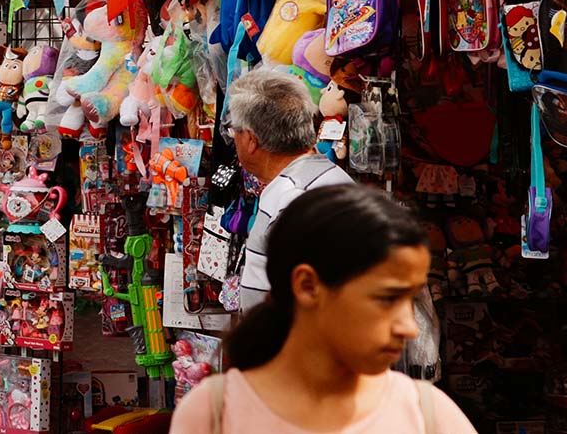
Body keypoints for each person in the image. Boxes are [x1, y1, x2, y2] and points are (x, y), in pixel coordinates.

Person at [171, 185, 474, 433]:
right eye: (386, 299)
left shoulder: (428, 416)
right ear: (307, 286)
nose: (409, 327)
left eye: (410, 300)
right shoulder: (212, 416)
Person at [228, 69, 353, 310]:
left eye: (235, 131)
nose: (234, 139)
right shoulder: (326, 177)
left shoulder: (293, 198)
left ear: (252, 140)